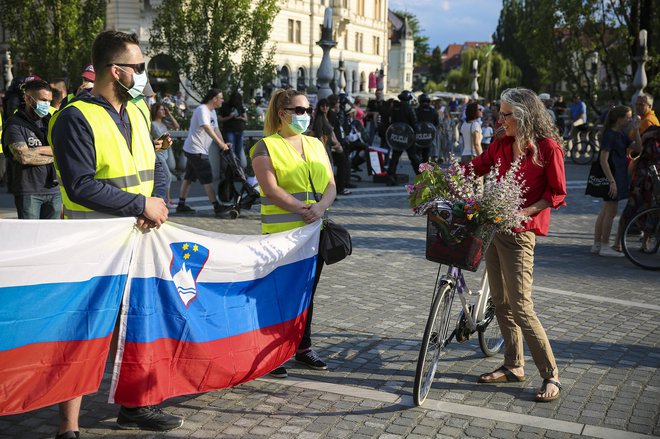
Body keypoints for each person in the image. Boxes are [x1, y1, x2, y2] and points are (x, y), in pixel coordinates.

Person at [49, 30, 181, 436]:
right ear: (114, 69)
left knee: (140, 322)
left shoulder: (138, 111)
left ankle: (136, 406)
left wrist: (154, 203)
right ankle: (67, 428)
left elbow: (155, 167)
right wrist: (140, 205)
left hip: (139, 237)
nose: (143, 74)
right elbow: (80, 185)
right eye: (138, 67)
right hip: (94, 244)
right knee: (86, 332)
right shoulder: (74, 117)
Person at [470, 87, 566, 403]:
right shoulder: (502, 142)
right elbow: (479, 166)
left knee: (522, 307)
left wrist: (522, 211)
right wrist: (442, 179)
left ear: (523, 115)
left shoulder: (547, 148)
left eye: (506, 114)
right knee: (500, 302)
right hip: (495, 231)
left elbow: (556, 193)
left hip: (520, 234)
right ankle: (514, 365)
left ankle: (551, 375)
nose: (500, 119)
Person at [250, 88, 336, 378]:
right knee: (279, 294)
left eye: (307, 110)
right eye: (298, 110)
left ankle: (303, 346)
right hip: (281, 234)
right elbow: (271, 189)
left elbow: (331, 184)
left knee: (306, 293)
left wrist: (321, 207)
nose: (305, 115)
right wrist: (303, 209)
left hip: (314, 231)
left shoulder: (315, 144)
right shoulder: (265, 146)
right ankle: (272, 353)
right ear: (281, 113)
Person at [1, 79, 61, 219]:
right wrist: (56, 155)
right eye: (42, 100)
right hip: (30, 192)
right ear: (28, 99)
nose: (46, 104)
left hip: (55, 190)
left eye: (49, 101)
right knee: (31, 237)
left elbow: (65, 148)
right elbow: (24, 157)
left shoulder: (50, 120)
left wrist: (36, 150)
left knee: (52, 237)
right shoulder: (15, 125)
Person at [590, 106, 641, 257]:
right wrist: (611, 181)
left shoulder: (620, 134)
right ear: (619, 119)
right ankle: (605, 246)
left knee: (605, 211)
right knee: (610, 212)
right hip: (612, 176)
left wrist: (637, 130)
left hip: (616, 175)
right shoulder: (610, 135)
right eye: (628, 117)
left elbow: (638, 148)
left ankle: (597, 244)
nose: (630, 120)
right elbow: (603, 160)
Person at [176, 88, 231, 216]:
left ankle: (181, 204)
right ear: (214, 99)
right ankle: (216, 206)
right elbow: (206, 127)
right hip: (196, 150)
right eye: (221, 98)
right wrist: (219, 144)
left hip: (196, 149)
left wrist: (224, 143)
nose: (222, 100)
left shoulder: (212, 112)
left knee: (189, 177)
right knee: (207, 178)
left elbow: (216, 129)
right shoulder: (202, 110)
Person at [386, 90, 419, 185]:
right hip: (408, 136)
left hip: (397, 135)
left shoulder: (394, 107)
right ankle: (421, 176)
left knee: (395, 157)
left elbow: (390, 120)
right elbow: (414, 123)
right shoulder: (409, 108)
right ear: (409, 99)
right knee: (413, 157)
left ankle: (390, 176)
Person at [151, 102, 180, 204]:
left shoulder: (164, 124)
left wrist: (169, 113)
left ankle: (159, 197)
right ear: (156, 111)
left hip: (165, 153)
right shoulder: (152, 124)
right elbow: (159, 136)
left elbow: (176, 126)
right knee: (167, 176)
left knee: (160, 178)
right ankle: (167, 199)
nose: (164, 111)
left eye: (164, 110)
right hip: (158, 154)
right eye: (161, 110)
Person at [218, 90, 248, 165]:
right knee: (231, 150)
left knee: (238, 151)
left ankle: (238, 169)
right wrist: (229, 117)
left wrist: (240, 117)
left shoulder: (240, 106)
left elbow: (246, 118)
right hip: (229, 130)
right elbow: (219, 119)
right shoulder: (225, 106)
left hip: (240, 130)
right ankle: (232, 168)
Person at [415, 93, 440, 163]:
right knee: (426, 155)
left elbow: (412, 122)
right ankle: (425, 171)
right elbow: (436, 124)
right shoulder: (433, 111)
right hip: (429, 136)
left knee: (417, 155)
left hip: (418, 136)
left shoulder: (416, 110)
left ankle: (419, 170)